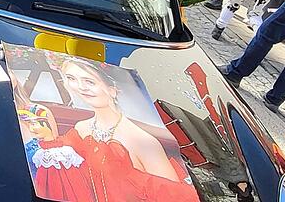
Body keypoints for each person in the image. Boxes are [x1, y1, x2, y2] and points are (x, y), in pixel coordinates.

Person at [33, 58, 192, 201]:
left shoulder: (143, 142)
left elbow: (173, 197)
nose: (81, 87)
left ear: (112, 90)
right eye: (72, 79)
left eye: (90, 81)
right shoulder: (81, 128)